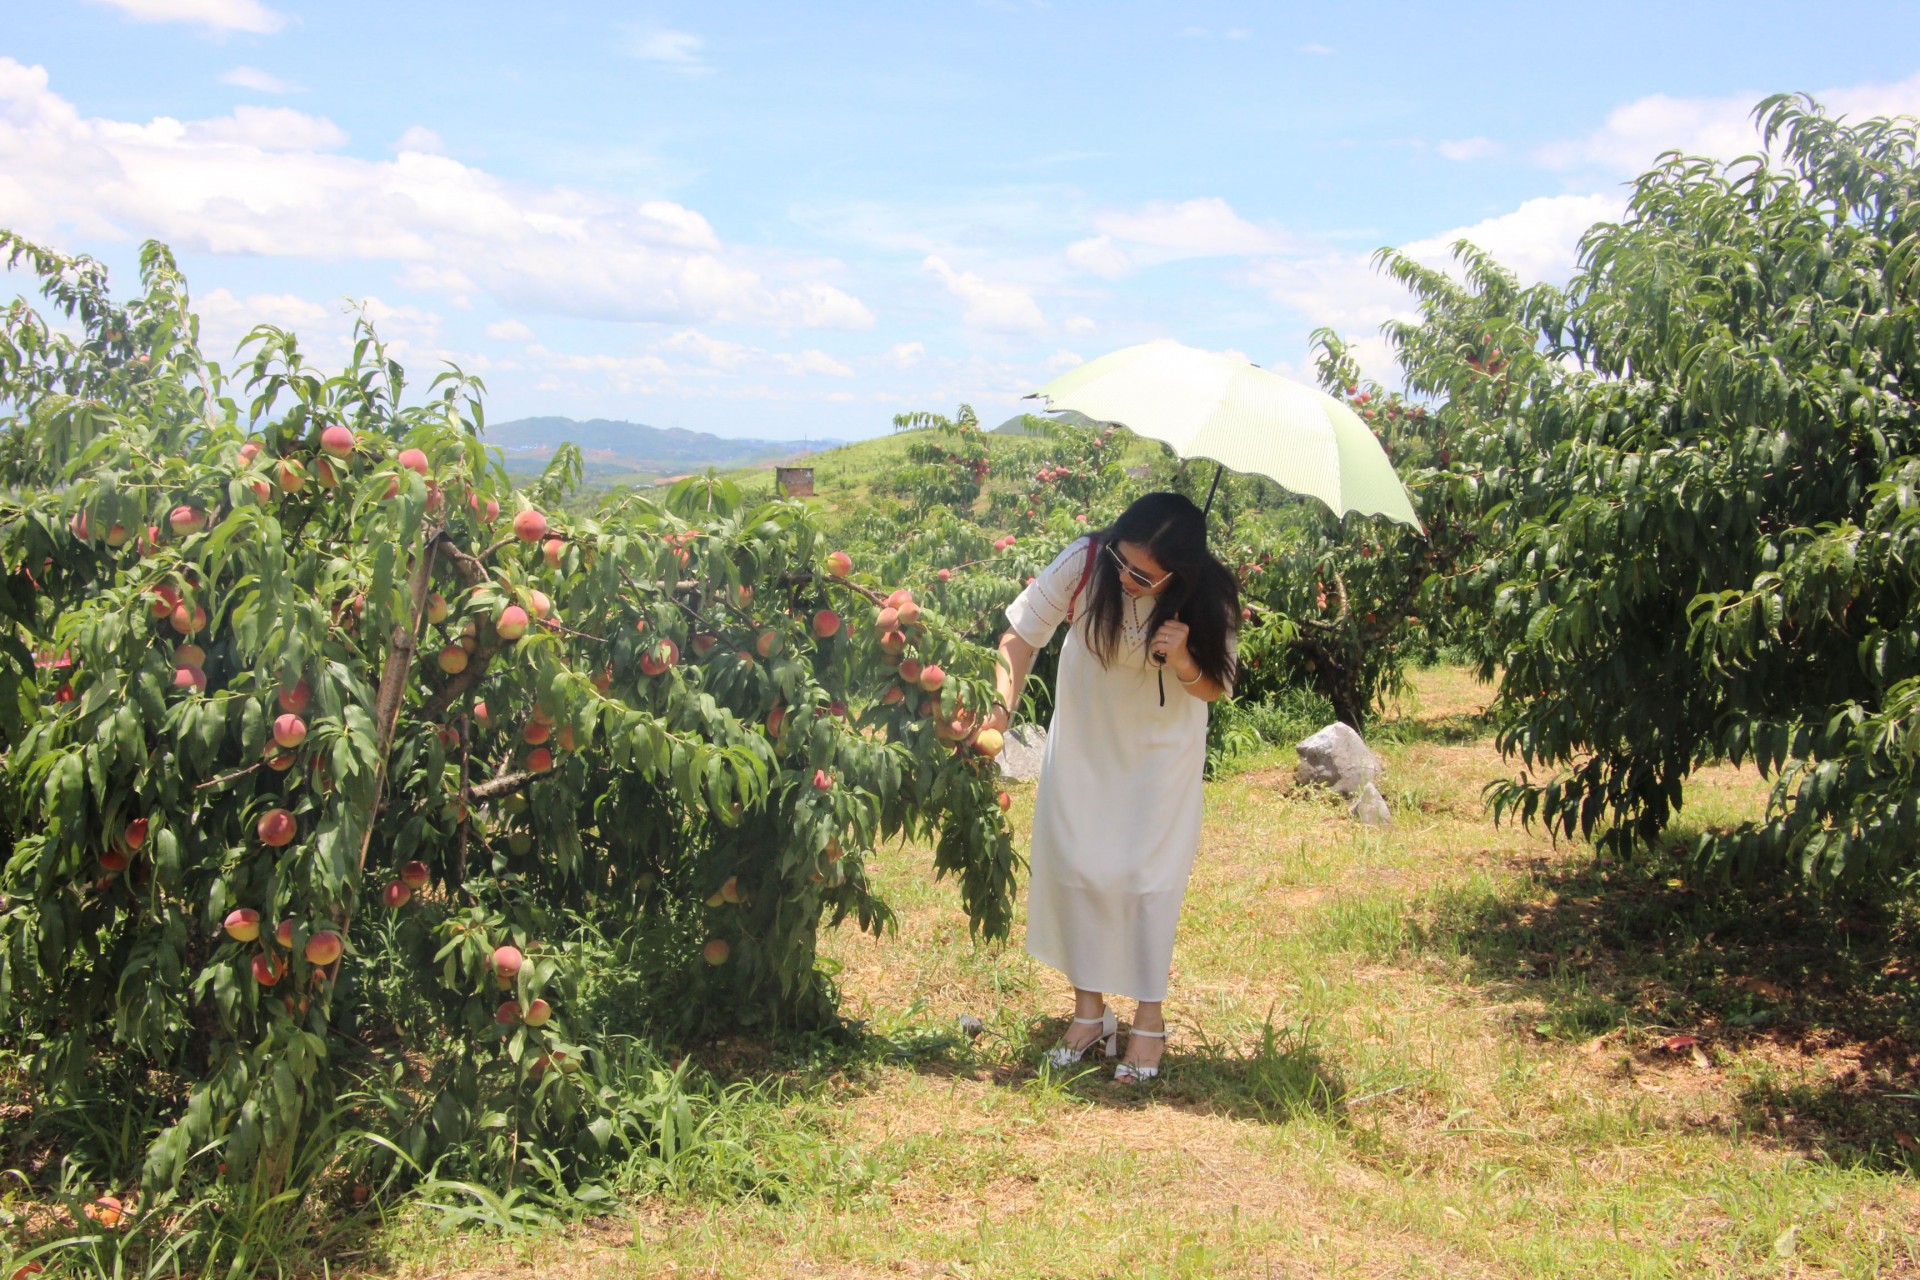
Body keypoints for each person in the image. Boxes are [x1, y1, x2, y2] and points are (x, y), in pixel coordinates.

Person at [980, 491, 1240, 1081]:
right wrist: (1000, 711)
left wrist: (1182, 662)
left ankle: (1150, 1019)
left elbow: (1214, 688)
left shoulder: (1210, 595)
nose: (1126, 577)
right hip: (1086, 740)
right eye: (1122, 561)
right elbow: (1020, 637)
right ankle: (1089, 1013)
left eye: (1144, 574)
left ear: (1181, 572)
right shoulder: (1087, 561)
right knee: (1078, 867)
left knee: (1147, 880)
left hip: (1160, 751)